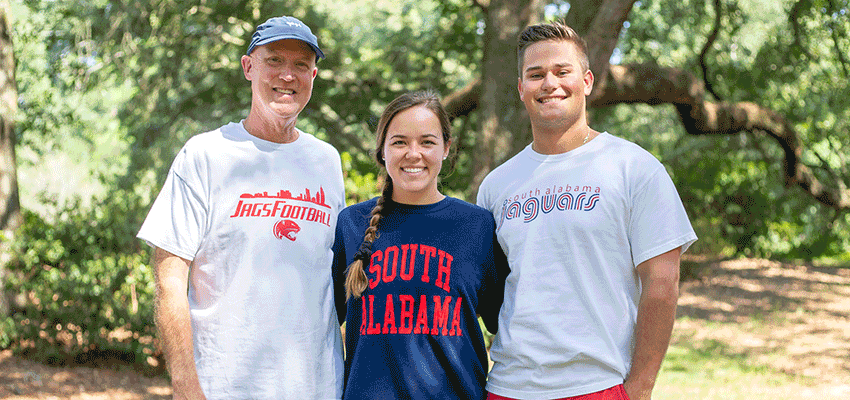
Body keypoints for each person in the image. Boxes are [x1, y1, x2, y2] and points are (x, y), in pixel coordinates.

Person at [476, 21, 697, 400]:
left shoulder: (634, 168)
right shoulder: (496, 185)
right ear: (521, 89)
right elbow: (491, 294)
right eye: (536, 75)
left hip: (596, 385)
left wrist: (639, 389)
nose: (550, 83)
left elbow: (661, 285)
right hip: (508, 386)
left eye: (563, 71)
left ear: (588, 81)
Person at [137, 15, 345, 399]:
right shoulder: (204, 155)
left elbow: (329, 279)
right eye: (274, 61)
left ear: (313, 75)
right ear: (249, 67)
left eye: (301, 65)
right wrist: (185, 387)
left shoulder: (326, 161)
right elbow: (169, 281)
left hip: (317, 387)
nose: (288, 75)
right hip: (224, 387)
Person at [332, 90, 508, 399]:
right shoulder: (351, 224)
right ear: (383, 150)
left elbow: (507, 326)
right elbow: (320, 323)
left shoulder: (477, 226)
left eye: (427, 142)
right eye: (399, 142)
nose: (414, 153)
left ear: (446, 148)